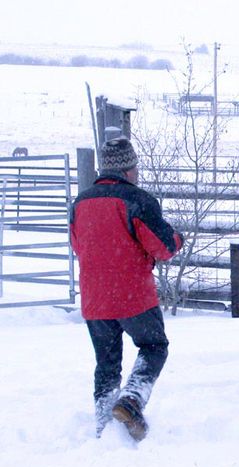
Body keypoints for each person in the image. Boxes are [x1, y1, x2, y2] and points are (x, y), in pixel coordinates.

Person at [70, 137, 184, 441]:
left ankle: (104, 425)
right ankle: (132, 399)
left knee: (106, 363)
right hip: (133, 297)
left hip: (95, 300)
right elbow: (163, 247)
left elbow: (78, 246)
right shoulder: (139, 201)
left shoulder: (80, 203)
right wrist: (178, 238)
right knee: (154, 346)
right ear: (129, 169)